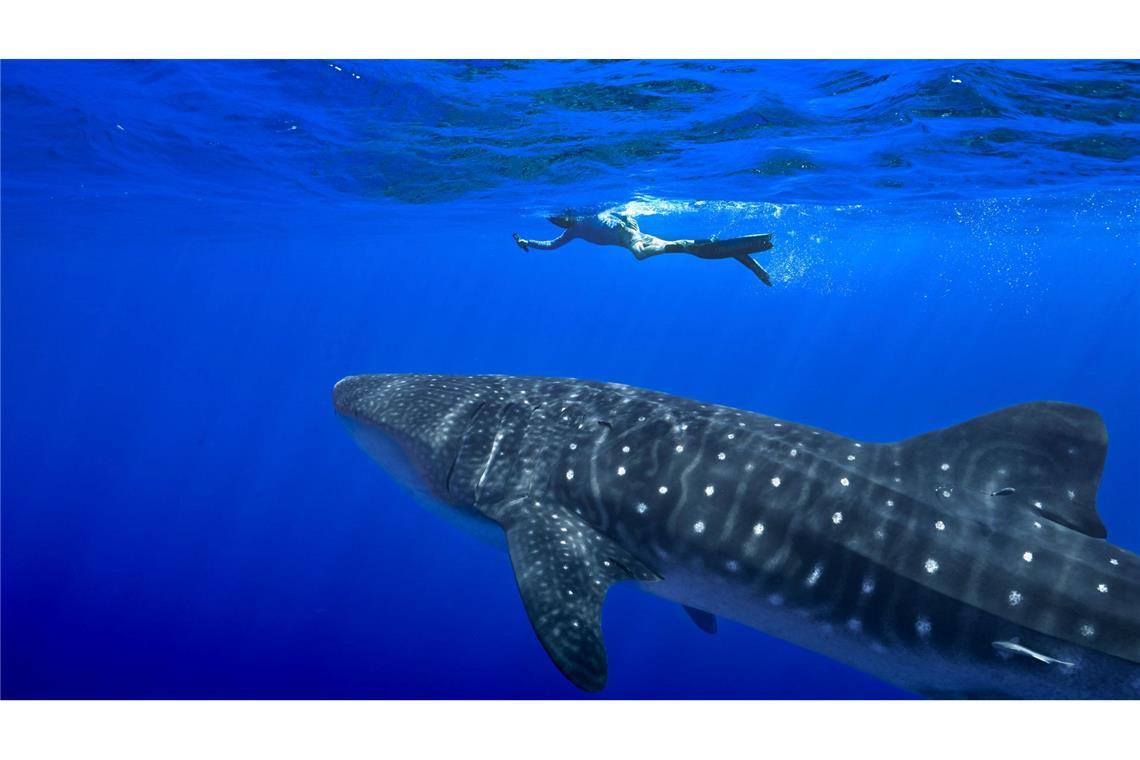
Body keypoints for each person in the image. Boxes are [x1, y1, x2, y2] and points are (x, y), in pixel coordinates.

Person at [513, 209, 774, 286]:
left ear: (566, 213)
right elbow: (552, 245)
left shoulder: (589, 214)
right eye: (556, 221)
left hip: (634, 239)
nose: (560, 221)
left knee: (639, 255)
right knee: (700, 250)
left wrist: (627, 218)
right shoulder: (572, 231)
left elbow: (620, 210)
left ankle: (680, 245)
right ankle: (749, 262)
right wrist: (529, 243)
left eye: (559, 218)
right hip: (637, 238)